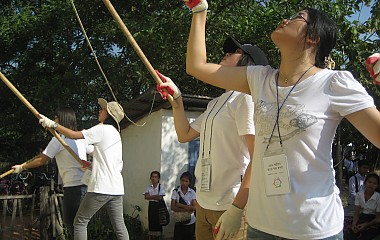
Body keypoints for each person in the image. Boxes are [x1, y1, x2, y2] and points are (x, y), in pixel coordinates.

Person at [183, 1, 380, 239]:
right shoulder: (259, 79)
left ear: (314, 37)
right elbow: (197, 66)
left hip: (313, 229)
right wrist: (199, 10)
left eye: (298, 17)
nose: (285, 20)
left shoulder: (333, 83)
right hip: (260, 227)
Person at [157, 34, 268, 239]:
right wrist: (177, 100)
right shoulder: (215, 103)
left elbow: (258, 156)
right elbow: (184, 134)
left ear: (250, 65)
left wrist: (237, 208)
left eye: (236, 51)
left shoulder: (245, 99)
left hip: (230, 205)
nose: (226, 54)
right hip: (204, 204)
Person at [38, 98, 129, 240]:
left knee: (79, 222)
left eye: (103, 109)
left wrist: (53, 124)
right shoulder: (116, 134)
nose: (100, 110)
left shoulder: (102, 129)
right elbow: (111, 161)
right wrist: (92, 165)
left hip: (101, 187)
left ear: (109, 114)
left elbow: (73, 135)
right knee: (120, 227)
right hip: (117, 188)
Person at [12, 106, 92, 240]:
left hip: (73, 187)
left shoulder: (59, 139)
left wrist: (22, 167)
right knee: (78, 224)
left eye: (56, 118)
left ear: (62, 120)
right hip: (84, 186)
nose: (54, 120)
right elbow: (92, 149)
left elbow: (41, 160)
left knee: (72, 223)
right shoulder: (80, 139)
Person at [344, 172, 380, 240]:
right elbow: (357, 213)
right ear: (365, 182)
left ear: (377, 186)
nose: (371, 185)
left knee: (367, 235)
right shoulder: (359, 195)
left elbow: (378, 219)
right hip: (362, 217)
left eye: (374, 183)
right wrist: (353, 224)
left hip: (373, 220)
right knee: (350, 231)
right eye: (369, 182)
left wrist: (366, 225)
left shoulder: (378, 197)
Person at [171, 171, 197, 240]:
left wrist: (180, 205)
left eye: (186, 181)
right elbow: (173, 207)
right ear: (180, 180)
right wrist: (187, 209)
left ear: (189, 182)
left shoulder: (192, 192)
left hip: (190, 222)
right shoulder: (176, 192)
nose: (184, 183)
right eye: (182, 180)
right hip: (179, 221)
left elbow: (194, 208)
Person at [143, 171, 166, 240]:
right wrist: (155, 196)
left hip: (158, 206)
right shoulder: (148, 187)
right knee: (151, 221)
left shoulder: (160, 187)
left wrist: (151, 196)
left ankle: (159, 237)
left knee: (158, 222)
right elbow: (146, 197)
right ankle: (151, 237)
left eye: (155, 177)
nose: (154, 178)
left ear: (158, 178)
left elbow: (160, 197)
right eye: (152, 177)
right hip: (151, 206)